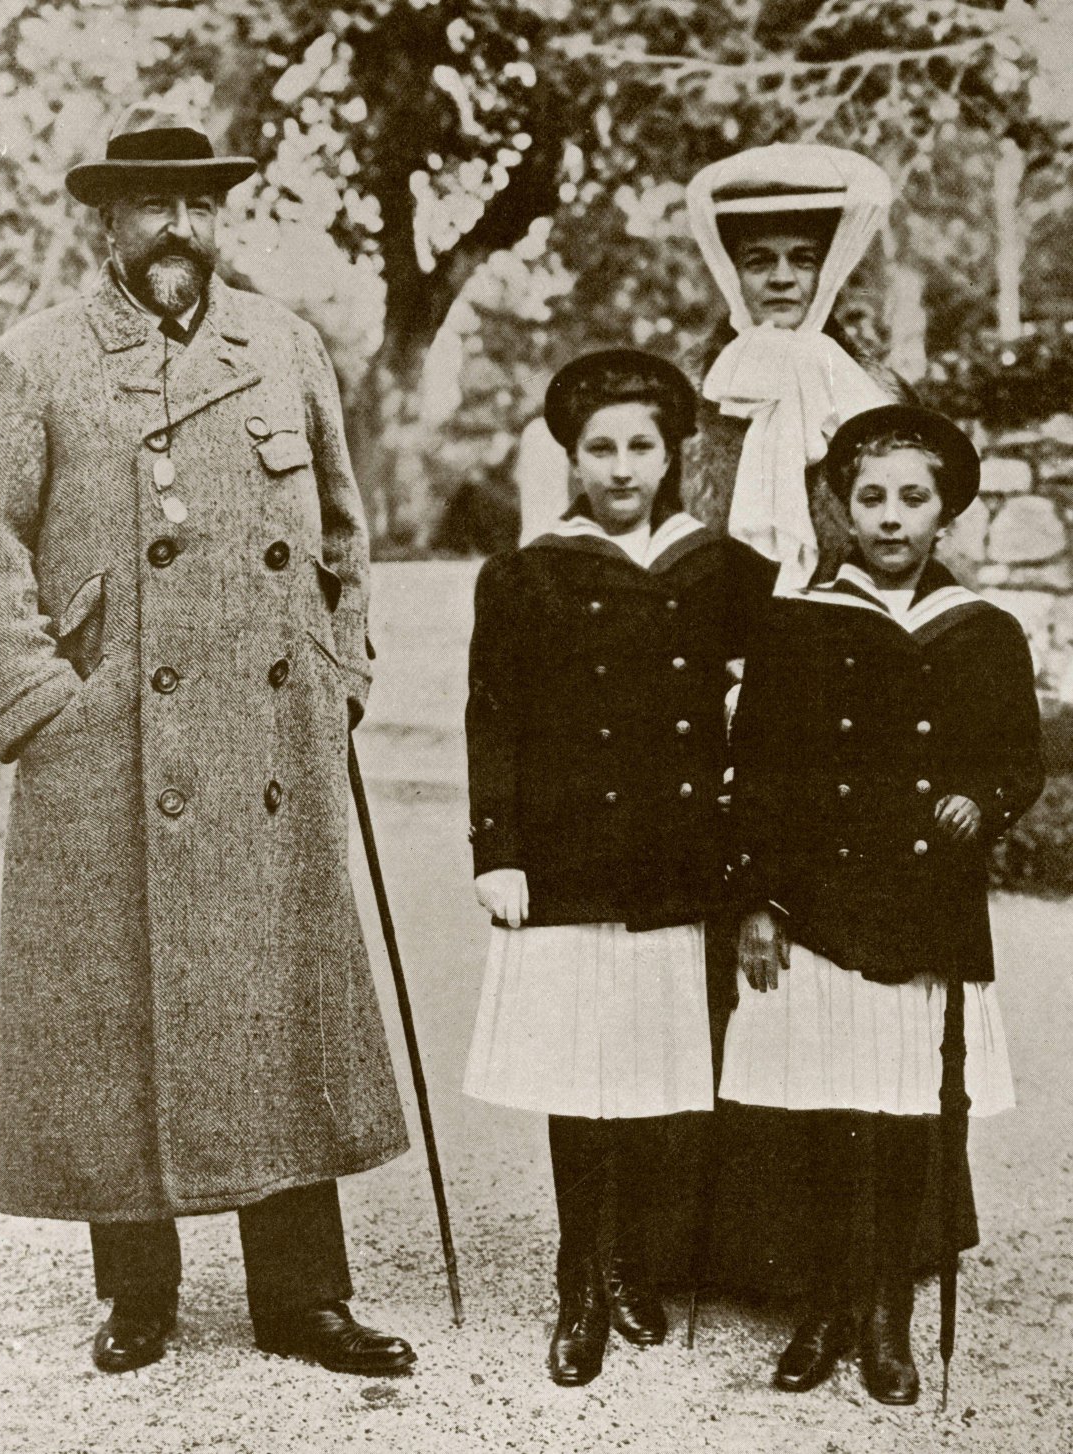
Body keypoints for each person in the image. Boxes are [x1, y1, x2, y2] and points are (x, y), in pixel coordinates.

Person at [0, 102, 416, 1378]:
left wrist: (339, 671)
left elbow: (341, 528)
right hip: (110, 742)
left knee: (280, 1005)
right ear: (107, 222)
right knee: (116, 1011)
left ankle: (305, 1299)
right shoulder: (37, 360)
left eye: (201, 204)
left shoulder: (285, 344)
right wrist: (43, 702)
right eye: (154, 204)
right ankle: (139, 1293)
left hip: (268, 736)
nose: (180, 228)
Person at [462, 349, 776, 1386]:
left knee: (656, 1075)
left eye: (642, 444)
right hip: (568, 857)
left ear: (674, 452)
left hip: (675, 857)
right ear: (573, 457)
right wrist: (499, 851)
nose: (623, 466)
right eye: (601, 447)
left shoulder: (723, 569)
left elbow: (776, 711)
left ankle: (636, 1264)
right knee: (578, 1074)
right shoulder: (527, 574)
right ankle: (581, 1281)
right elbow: (495, 717)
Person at [723, 405, 1045, 1403]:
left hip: (924, 909)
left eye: (913, 497)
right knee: (827, 1113)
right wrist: (757, 900)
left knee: (907, 1115)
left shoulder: (984, 630)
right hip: (820, 908)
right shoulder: (799, 621)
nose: (892, 516)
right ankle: (824, 1303)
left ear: (946, 510)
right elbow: (757, 771)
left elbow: (1019, 758)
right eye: (871, 497)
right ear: (843, 509)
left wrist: (982, 799)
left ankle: (888, 1311)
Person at [682, 143, 908, 590]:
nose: (782, 278)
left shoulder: (877, 394)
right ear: (732, 273)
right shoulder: (687, 392)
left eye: (803, 260)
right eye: (759, 261)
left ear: (826, 271)